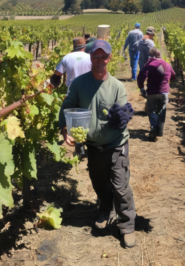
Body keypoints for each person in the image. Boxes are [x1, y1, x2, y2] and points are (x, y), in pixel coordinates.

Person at [59, 40, 136, 248]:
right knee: (99, 183)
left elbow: (123, 111)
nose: (100, 60)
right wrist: (65, 129)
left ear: (109, 58)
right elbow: (67, 107)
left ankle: (127, 226)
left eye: (104, 56)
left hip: (116, 143)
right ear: (90, 57)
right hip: (93, 146)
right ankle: (105, 209)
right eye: (96, 56)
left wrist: (121, 116)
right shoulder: (79, 84)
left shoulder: (117, 87)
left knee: (120, 186)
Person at [137, 47, 176, 141]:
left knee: (152, 110)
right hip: (164, 92)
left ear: (151, 56)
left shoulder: (149, 65)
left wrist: (142, 88)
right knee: (162, 110)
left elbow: (141, 77)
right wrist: (166, 80)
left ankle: (153, 128)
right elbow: (174, 76)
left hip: (152, 92)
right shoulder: (167, 64)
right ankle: (160, 131)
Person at [137, 26, 156, 97]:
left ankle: (142, 90)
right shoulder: (151, 43)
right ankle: (149, 91)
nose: (153, 36)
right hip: (149, 63)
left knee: (142, 76)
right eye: (153, 34)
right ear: (150, 34)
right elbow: (152, 54)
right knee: (150, 77)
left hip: (141, 61)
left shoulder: (140, 41)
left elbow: (138, 50)